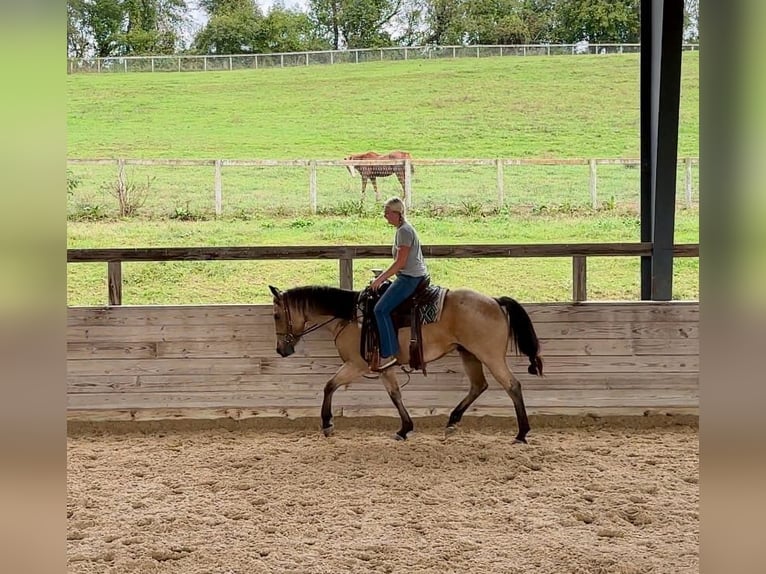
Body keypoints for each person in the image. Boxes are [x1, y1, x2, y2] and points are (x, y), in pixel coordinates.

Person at [369, 197, 428, 371]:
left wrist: (380, 279)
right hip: (410, 275)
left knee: (380, 309)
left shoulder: (404, 232)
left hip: (410, 278)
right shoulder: (403, 230)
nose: (385, 216)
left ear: (397, 213)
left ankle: (390, 352)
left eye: (387, 212)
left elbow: (400, 263)